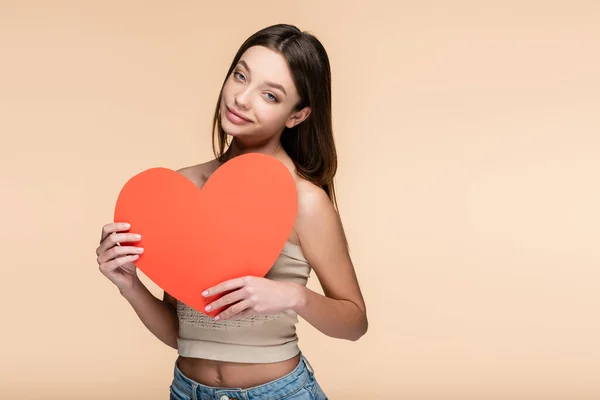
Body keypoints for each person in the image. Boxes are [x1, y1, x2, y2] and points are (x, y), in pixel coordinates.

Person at [95, 23, 368, 400]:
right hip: (186, 391)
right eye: (241, 76)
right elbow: (182, 335)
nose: (241, 98)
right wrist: (129, 284)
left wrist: (292, 296)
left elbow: (355, 324)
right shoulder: (181, 189)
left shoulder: (304, 201)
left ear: (298, 115)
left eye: (270, 95)